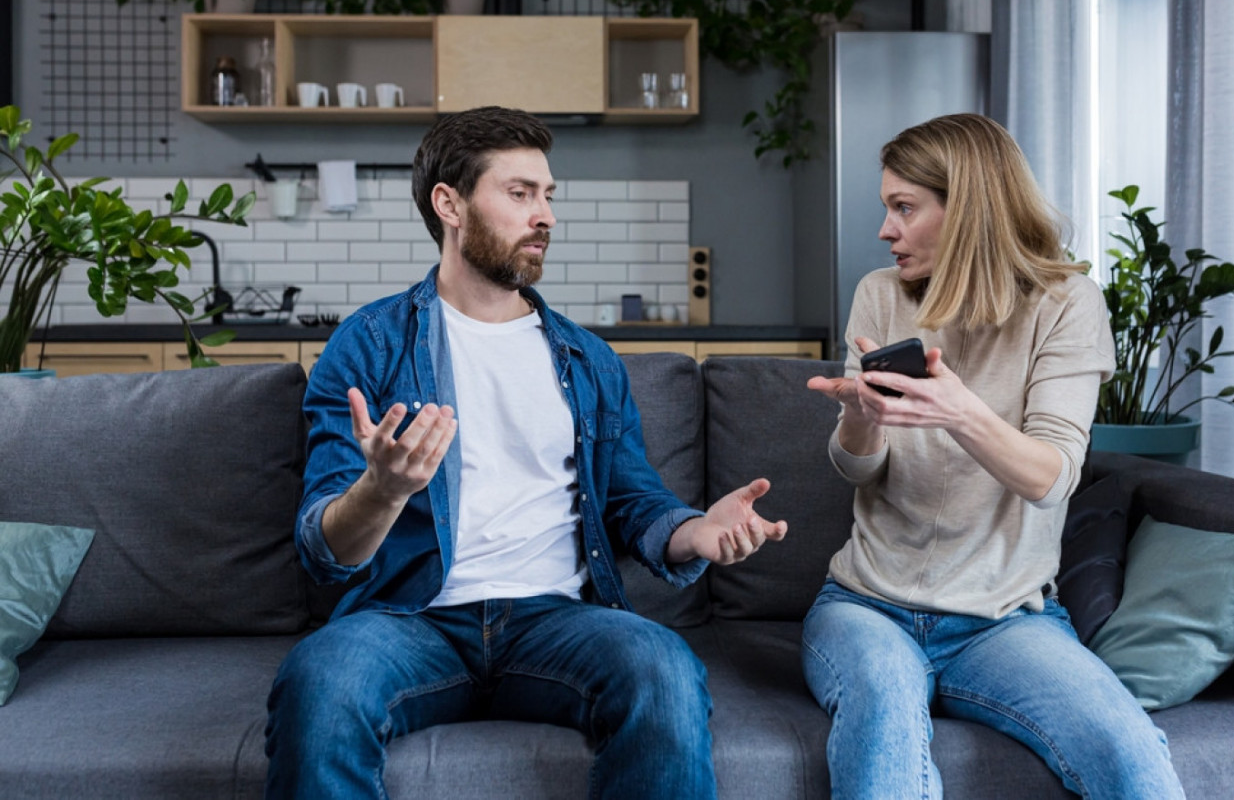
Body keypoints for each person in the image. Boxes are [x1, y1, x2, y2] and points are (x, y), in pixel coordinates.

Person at [263, 105, 787, 799]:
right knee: (320, 680)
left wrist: (696, 531)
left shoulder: (587, 359)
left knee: (661, 666)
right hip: (408, 620)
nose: (545, 216)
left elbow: (632, 500)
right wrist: (383, 490)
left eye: (547, 196)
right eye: (519, 194)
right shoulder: (369, 345)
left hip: (557, 621)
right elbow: (324, 548)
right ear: (449, 204)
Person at [802, 113, 1185, 799]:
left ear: (967, 208)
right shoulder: (879, 296)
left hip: (1004, 620)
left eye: (903, 208)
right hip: (866, 606)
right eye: (886, 208)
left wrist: (959, 410)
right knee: (885, 723)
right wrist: (859, 420)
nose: (885, 230)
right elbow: (859, 468)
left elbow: (1051, 478)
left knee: (1129, 755)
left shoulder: (1066, 304)